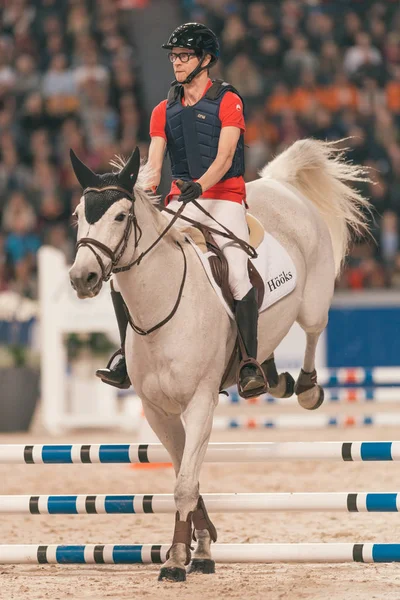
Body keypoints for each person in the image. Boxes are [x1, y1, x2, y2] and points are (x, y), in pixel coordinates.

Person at [96, 23, 267, 397]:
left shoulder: (228, 100)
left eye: (184, 56)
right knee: (125, 271)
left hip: (224, 199)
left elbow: (224, 158)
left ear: (205, 60)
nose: (176, 62)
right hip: (183, 201)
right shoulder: (163, 109)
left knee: (237, 273)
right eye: (174, 56)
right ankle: (126, 356)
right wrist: (135, 190)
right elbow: (155, 165)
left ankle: (250, 363)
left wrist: (201, 186)